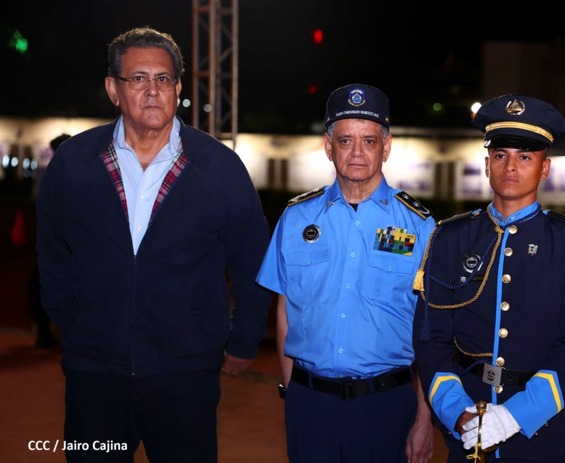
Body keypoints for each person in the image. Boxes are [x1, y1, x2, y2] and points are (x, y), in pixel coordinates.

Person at [36, 27, 272, 462]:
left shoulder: (218, 166)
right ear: (113, 89)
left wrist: (243, 339)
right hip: (94, 373)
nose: (152, 91)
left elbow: (253, 259)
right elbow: (52, 253)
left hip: (186, 374)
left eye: (163, 79)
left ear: (178, 89)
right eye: (138, 78)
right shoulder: (74, 163)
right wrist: (72, 323)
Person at [413, 94, 565, 462]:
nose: (511, 167)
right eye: (500, 155)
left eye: (525, 157)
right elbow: (430, 336)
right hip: (468, 423)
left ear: (545, 169)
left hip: (542, 430)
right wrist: (457, 412)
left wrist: (516, 415)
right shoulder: (450, 238)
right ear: (487, 165)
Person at [256, 83, 436, 462]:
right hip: (310, 405)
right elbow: (285, 310)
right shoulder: (296, 219)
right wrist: (293, 391)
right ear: (328, 146)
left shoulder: (419, 226)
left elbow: (430, 328)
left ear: (386, 147)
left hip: (386, 406)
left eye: (369, 141)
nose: (357, 152)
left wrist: (424, 415)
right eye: (345, 140)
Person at [27, 133, 71, 349]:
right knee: (48, 280)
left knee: (45, 279)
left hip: (52, 234)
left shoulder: (47, 171)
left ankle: (46, 330)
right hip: (59, 235)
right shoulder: (63, 171)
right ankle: (47, 330)